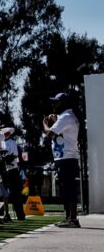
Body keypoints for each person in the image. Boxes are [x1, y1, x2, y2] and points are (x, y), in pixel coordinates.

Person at [43, 92, 81, 228]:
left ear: (63, 104)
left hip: (66, 158)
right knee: (66, 189)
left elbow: (50, 134)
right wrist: (55, 120)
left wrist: (45, 124)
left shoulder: (66, 117)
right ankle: (69, 217)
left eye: (56, 102)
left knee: (69, 189)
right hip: (66, 157)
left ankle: (73, 219)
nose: (54, 105)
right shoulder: (67, 116)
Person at [0, 126, 26, 222]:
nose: (5, 135)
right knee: (3, 193)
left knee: (15, 193)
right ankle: (5, 214)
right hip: (3, 170)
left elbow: (14, 155)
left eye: (6, 133)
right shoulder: (1, 143)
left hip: (12, 169)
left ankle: (20, 215)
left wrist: (4, 159)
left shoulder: (12, 142)